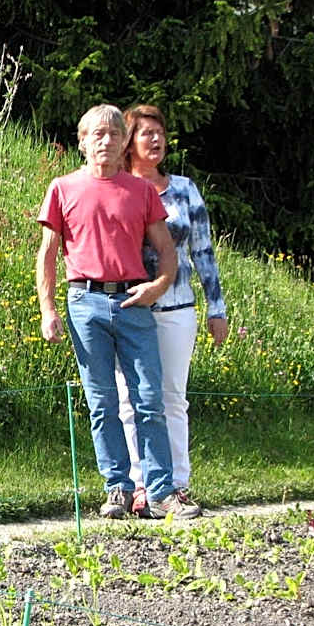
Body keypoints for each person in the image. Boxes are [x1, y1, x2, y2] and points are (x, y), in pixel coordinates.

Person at [36, 103, 200, 520]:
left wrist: (157, 286)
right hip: (84, 302)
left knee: (149, 399)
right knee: (102, 402)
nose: (106, 141)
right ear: (82, 142)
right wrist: (47, 309)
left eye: (114, 134)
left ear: (124, 141)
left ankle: (161, 493)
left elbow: (167, 251)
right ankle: (118, 489)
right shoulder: (62, 188)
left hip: (132, 302)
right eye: (97, 134)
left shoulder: (141, 191)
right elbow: (47, 254)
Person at [115, 104, 228, 517]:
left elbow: (203, 252)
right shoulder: (118, 188)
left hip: (177, 308)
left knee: (172, 398)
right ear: (129, 142)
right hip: (129, 309)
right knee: (130, 399)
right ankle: (139, 484)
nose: (156, 140)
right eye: (146, 133)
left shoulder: (184, 189)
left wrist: (217, 308)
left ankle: (177, 484)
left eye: (160, 133)